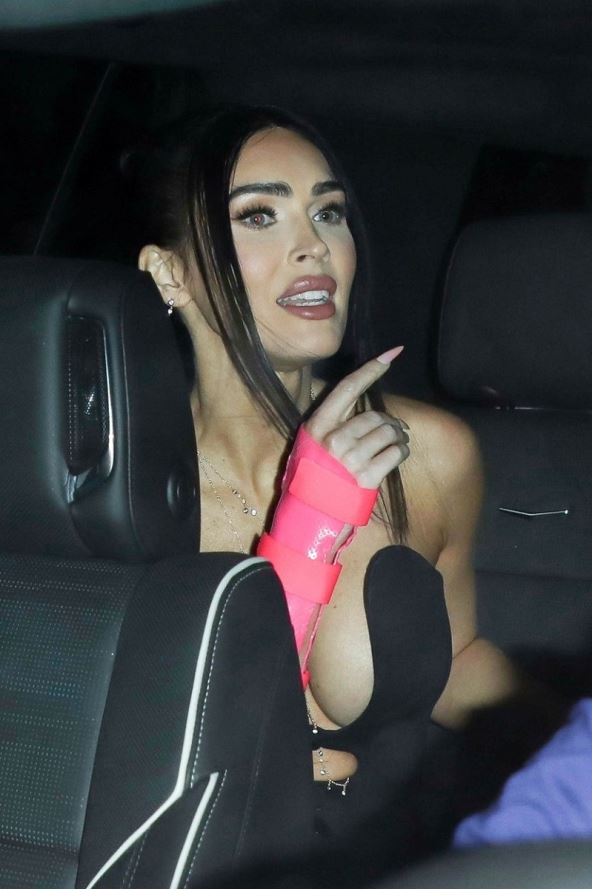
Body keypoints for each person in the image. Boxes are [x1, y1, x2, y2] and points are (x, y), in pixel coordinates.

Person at [135, 106, 549, 881]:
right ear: (170, 273)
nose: (314, 245)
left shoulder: (428, 454)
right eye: (258, 215)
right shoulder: (118, 484)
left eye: (328, 212)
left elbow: (456, 655)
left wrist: (567, 728)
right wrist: (311, 519)